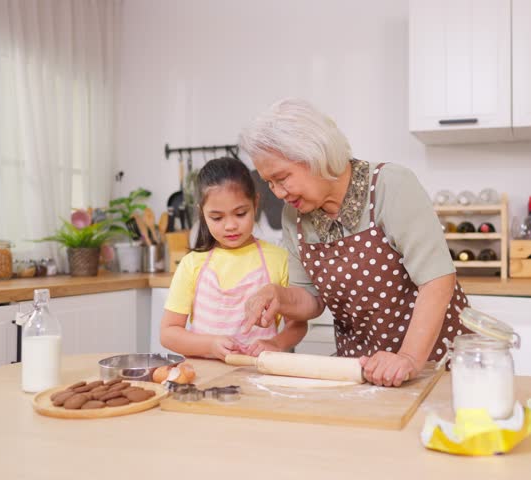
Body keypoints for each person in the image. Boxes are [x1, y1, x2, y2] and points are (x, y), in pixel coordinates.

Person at [239, 98, 470, 387]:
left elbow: (437, 281)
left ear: (315, 155)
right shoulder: (294, 216)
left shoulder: (390, 186)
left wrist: (409, 358)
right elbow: (311, 300)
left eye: (281, 178)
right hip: (360, 371)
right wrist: (278, 296)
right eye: (269, 183)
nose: (278, 193)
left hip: (436, 365)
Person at [160, 156, 307, 360]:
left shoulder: (278, 259)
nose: (230, 226)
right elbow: (168, 332)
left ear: (255, 203)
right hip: (204, 378)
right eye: (217, 218)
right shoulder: (192, 264)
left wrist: (276, 343)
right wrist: (209, 345)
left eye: (240, 214)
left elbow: (298, 324)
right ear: (202, 213)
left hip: (259, 377)